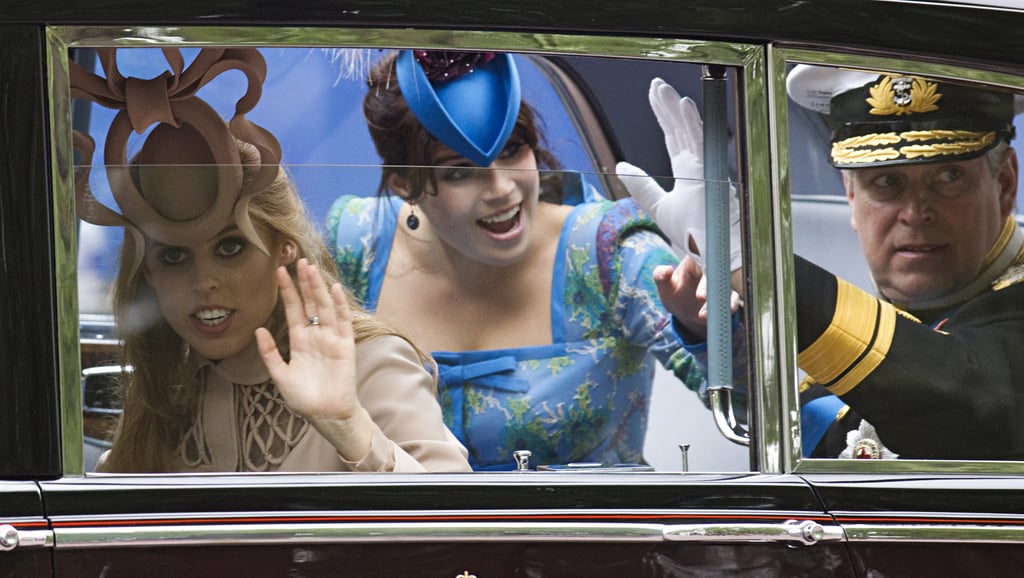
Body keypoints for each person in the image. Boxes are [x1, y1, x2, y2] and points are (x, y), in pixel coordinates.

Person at [71, 47, 471, 473]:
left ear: (285, 247)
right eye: (173, 256)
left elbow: (465, 532)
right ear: (148, 273)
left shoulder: (370, 363)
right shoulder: (168, 392)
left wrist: (349, 427)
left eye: (230, 248)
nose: (203, 281)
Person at [326, 50, 707, 470]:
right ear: (404, 185)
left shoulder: (608, 251)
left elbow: (753, 409)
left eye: (511, 150)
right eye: (459, 171)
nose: (501, 188)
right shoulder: (356, 245)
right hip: (400, 532)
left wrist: (709, 324)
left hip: (590, 533)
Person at [618, 67, 1024, 460]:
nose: (916, 213)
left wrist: (745, 259)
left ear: (1004, 183)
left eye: (949, 177)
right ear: (850, 195)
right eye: (885, 181)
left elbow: (972, 403)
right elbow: (813, 426)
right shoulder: (873, 323)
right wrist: (723, 332)